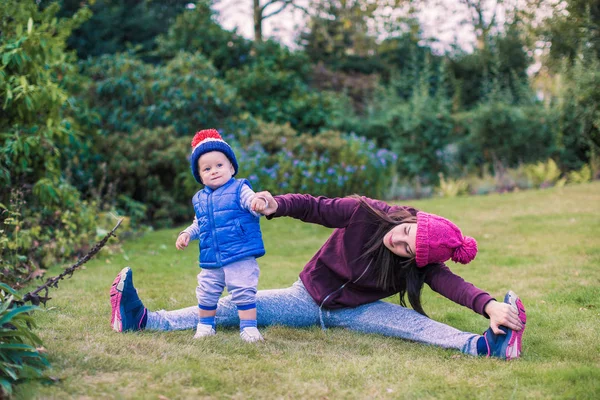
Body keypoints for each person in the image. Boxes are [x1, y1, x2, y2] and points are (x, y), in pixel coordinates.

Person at [110, 192, 527, 359]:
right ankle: (147, 320)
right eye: (403, 234)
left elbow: (451, 283)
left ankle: (483, 346)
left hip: (356, 311)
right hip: (305, 298)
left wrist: (488, 305)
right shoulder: (366, 212)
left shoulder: (421, 262)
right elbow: (316, 207)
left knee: (414, 325)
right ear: (409, 219)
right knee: (230, 308)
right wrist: (277, 205)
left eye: (405, 250)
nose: (397, 243)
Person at [113, 128, 268, 342]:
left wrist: (257, 203)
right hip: (211, 256)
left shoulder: (240, 189)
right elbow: (199, 223)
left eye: (219, 165)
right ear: (200, 176)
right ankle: (205, 325)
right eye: (207, 168)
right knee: (206, 291)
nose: (214, 171)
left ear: (232, 167)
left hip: (239, 251)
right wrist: (187, 233)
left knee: (243, 290)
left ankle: (249, 327)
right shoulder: (200, 199)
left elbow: (251, 202)